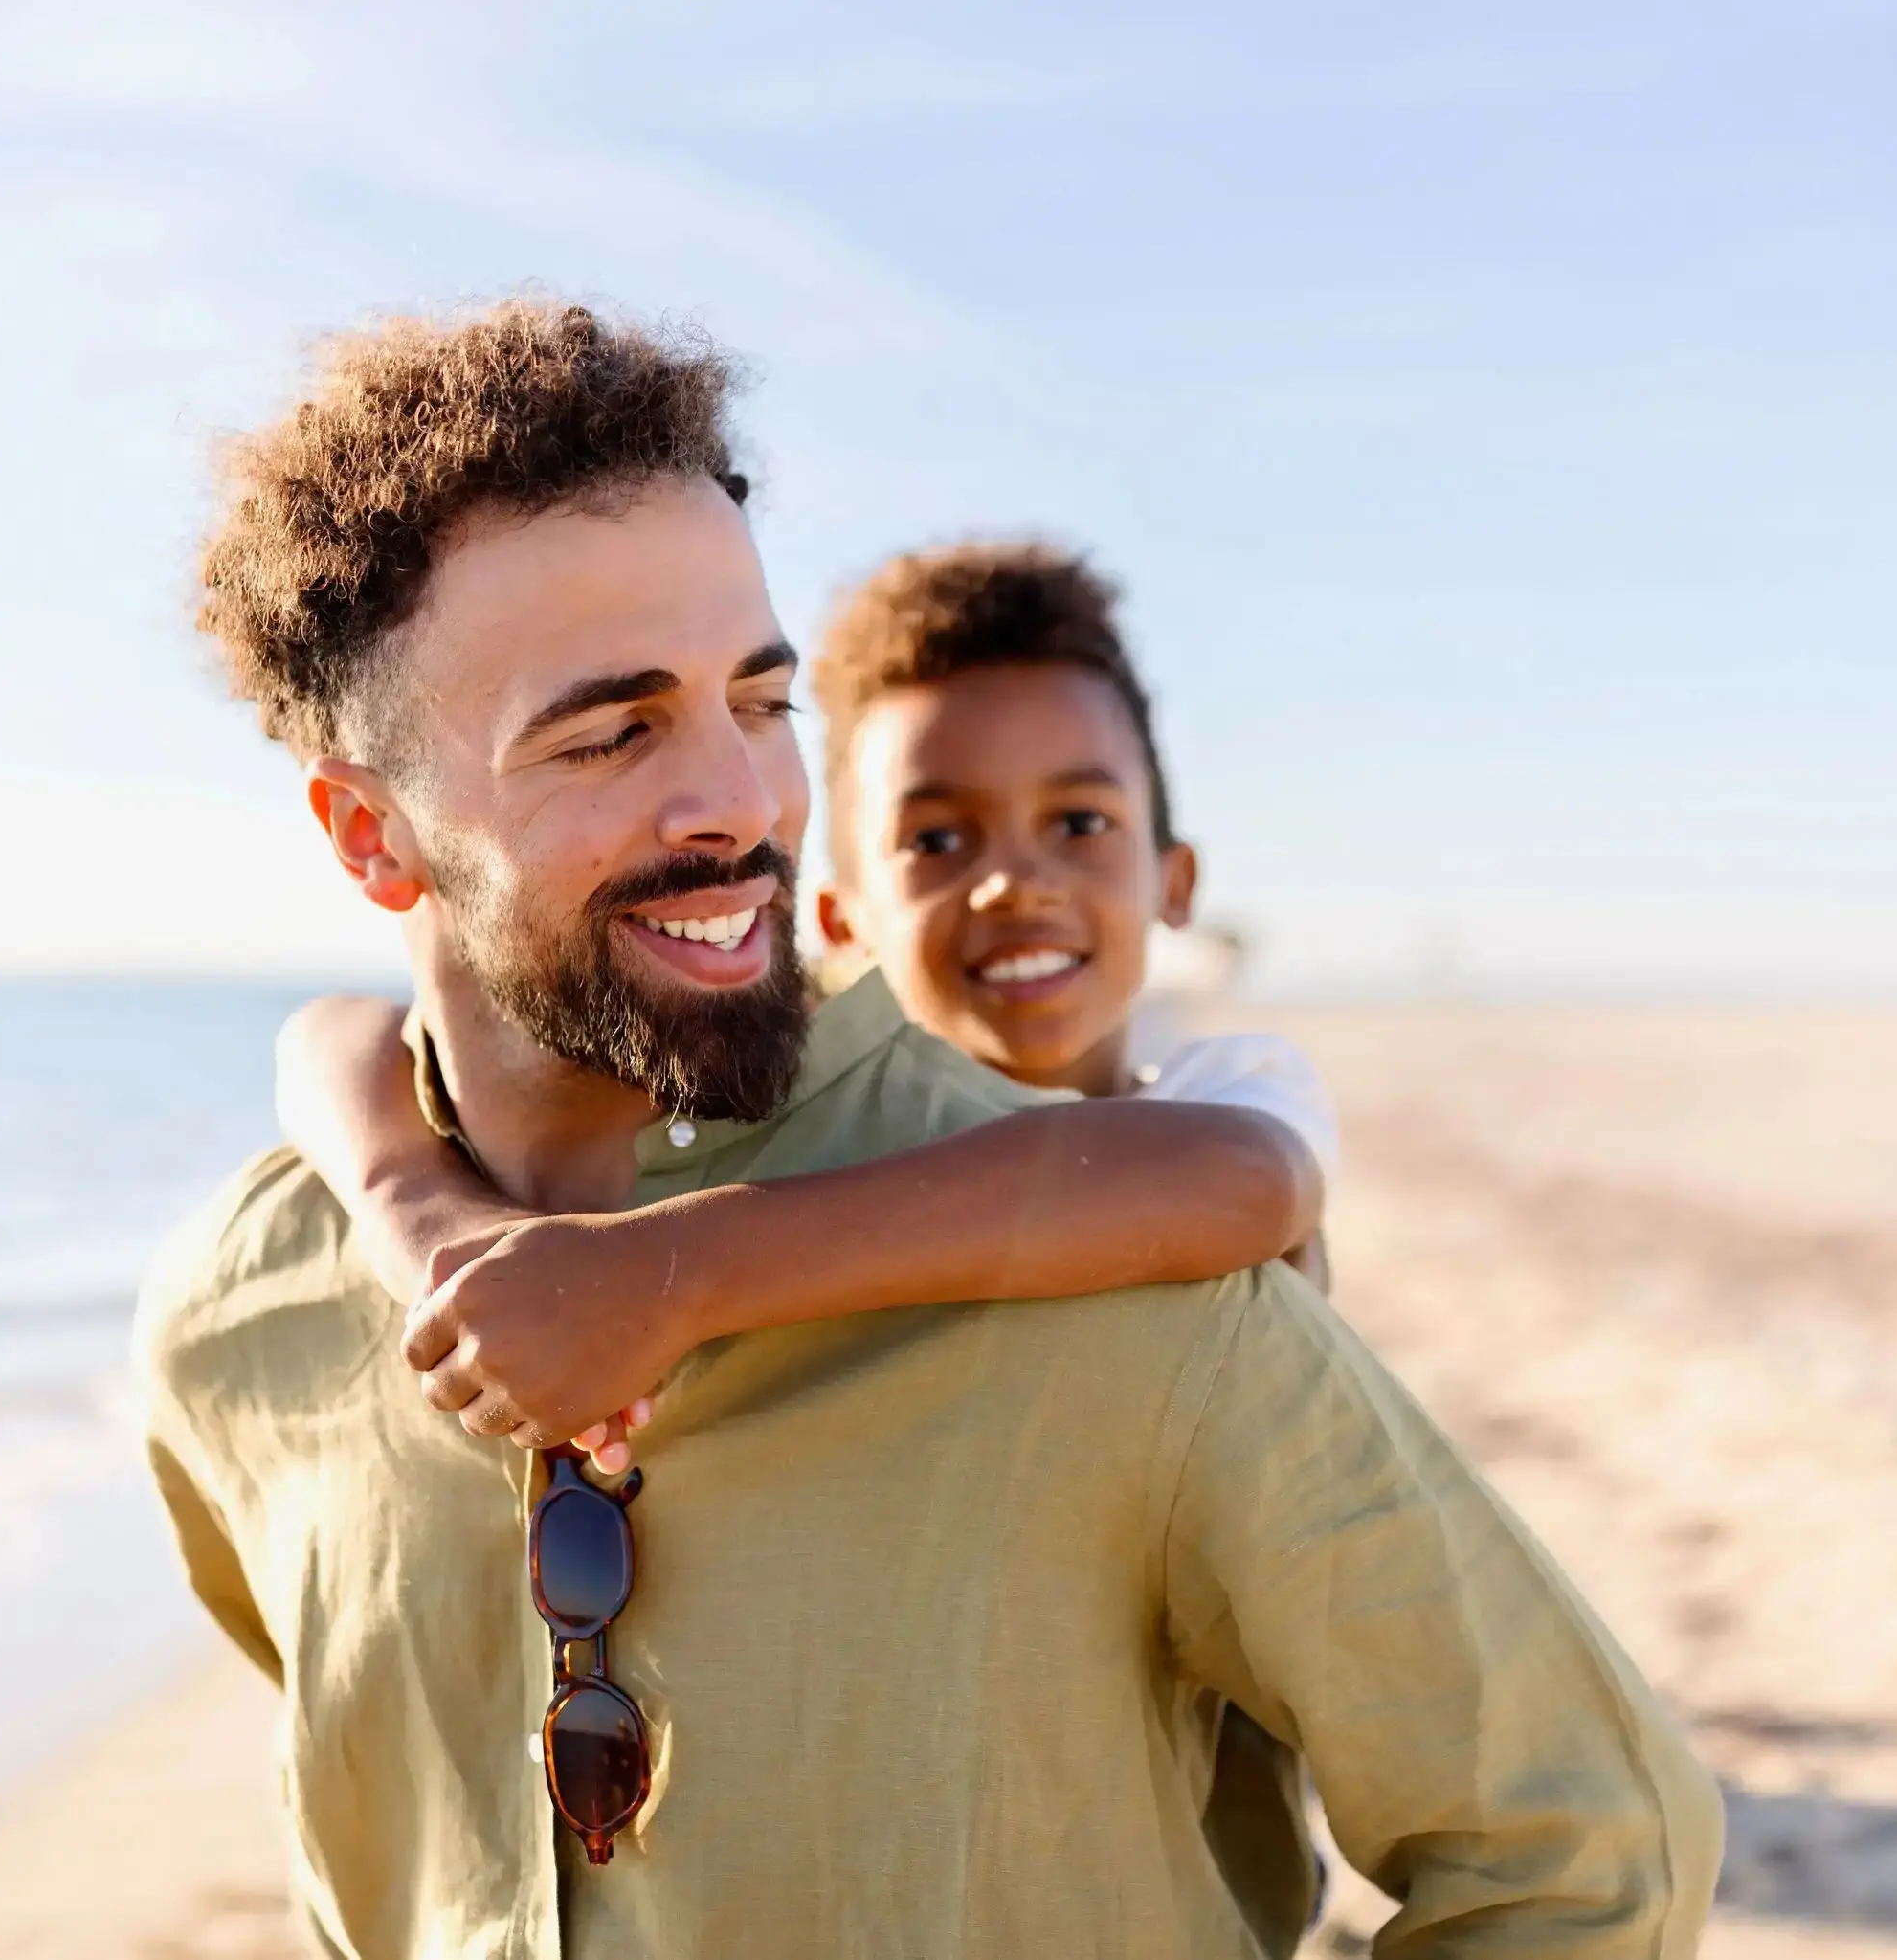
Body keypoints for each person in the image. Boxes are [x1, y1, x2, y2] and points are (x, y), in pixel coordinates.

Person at [136, 298, 1723, 1959]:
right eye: (613, 732)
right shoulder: (240, 1317)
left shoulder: (1130, 1288)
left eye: (760, 703)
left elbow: (1585, 1854)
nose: (742, 806)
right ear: (369, 833)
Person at [275, 537, 1343, 1949]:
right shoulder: (812, 1111)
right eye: (936, 839)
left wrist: (672, 1272)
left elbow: (1241, 1182)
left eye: (1078, 824)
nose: (1011, 883)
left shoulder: (1216, 1098)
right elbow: (330, 1034)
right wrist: (422, 1206)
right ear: (830, 914)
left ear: (1175, 875)